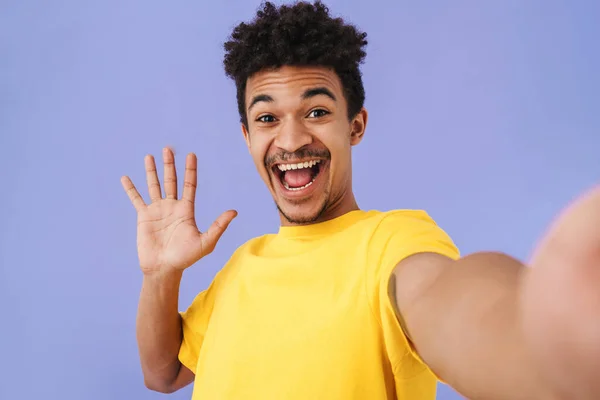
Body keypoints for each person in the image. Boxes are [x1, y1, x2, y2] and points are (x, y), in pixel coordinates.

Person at [121, 2, 600, 399]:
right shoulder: (241, 268)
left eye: (316, 111)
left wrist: (545, 341)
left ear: (355, 126)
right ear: (247, 136)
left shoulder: (391, 243)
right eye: (267, 119)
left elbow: (449, 298)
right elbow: (163, 373)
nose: (291, 140)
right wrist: (161, 276)